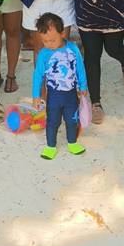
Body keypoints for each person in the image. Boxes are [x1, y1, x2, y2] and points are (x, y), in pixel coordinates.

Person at [32, 13, 88, 160]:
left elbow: (80, 68)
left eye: (52, 40)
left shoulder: (73, 49)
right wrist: (36, 95)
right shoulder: (44, 54)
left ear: (62, 33)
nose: (49, 44)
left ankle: (72, 143)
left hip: (71, 95)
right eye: (45, 41)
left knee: (72, 120)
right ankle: (50, 146)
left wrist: (83, 86)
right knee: (52, 121)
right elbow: (38, 76)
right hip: (54, 96)